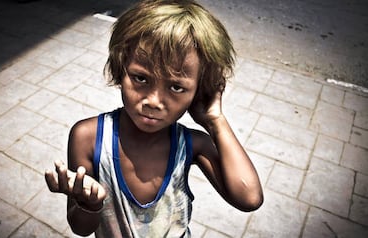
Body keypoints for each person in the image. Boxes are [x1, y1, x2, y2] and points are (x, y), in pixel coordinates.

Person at [45, 0, 263, 237]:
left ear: (199, 91)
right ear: (120, 69)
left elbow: (249, 198)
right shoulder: (89, 137)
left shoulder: (192, 144)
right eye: (140, 78)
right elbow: (81, 228)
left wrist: (214, 120)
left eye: (177, 88)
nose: (153, 101)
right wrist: (89, 204)